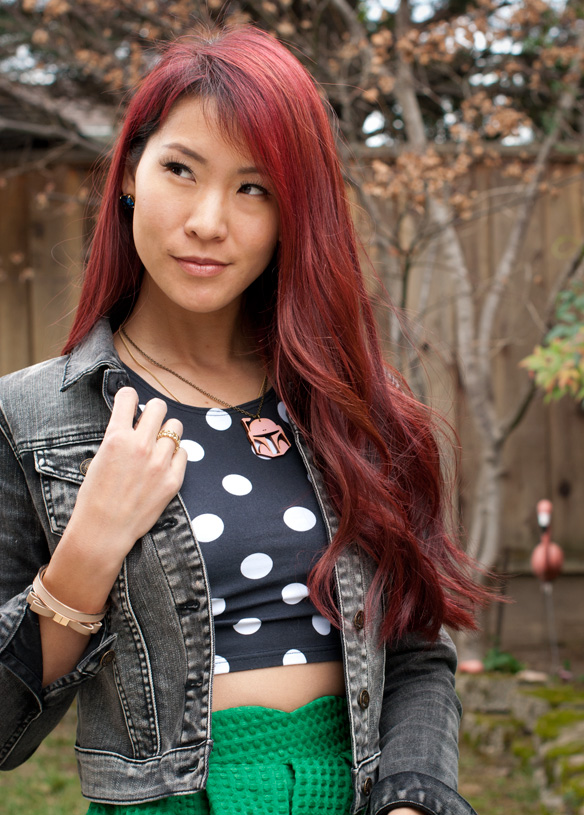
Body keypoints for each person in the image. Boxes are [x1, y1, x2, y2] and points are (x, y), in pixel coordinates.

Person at [0, 24, 484, 815]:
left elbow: (417, 650)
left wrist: (411, 799)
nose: (208, 221)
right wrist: (86, 551)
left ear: (294, 214)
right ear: (128, 174)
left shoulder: (345, 405)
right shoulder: (32, 416)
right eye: (181, 171)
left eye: (254, 188)